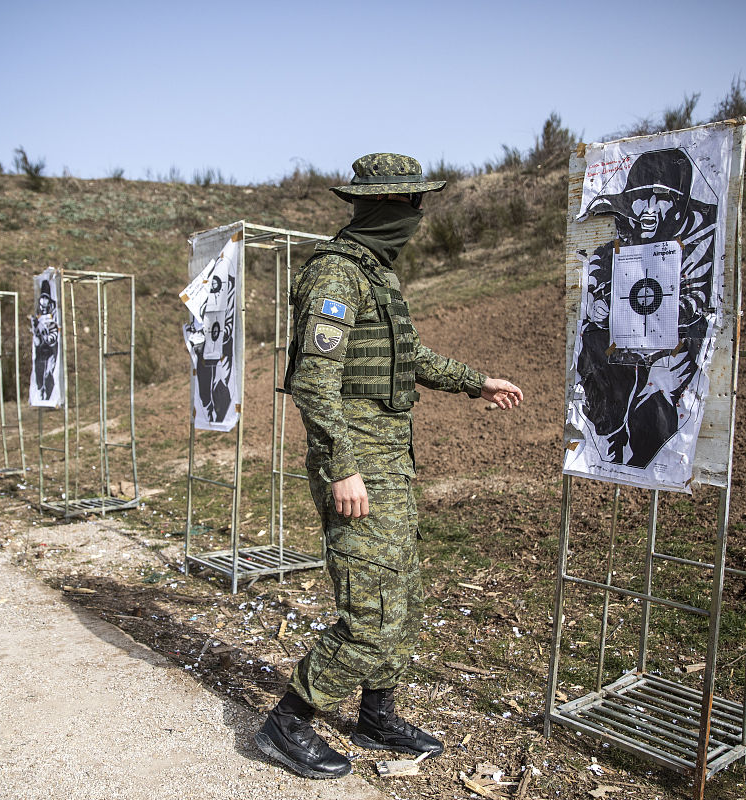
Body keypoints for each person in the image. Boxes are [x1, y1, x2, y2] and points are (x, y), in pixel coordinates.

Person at [255, 153, 524, 779]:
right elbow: (313, 383)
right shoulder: (335, 277)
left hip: (391, 462)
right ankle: (287, 721)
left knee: (400, 594)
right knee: (370, 611)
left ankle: (376, 713)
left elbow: (407, 355)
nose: (418, 218)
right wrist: (341, 466)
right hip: (358, 465)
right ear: (380, 207)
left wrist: (473, 382)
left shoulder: (375, 273)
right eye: (410, 205)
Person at [576, 148, 717, 467]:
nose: (649, 210)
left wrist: (660, 312)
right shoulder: (626, 232)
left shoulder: (698, 239)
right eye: (641, 199)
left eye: (660, 199)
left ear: (679, 202)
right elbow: (600, 262)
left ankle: (643, 448)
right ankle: (611, 436)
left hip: (672, 347)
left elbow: (695, 299)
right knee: (592, 345)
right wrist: (599, 300)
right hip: (624, 346)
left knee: (651, 410)